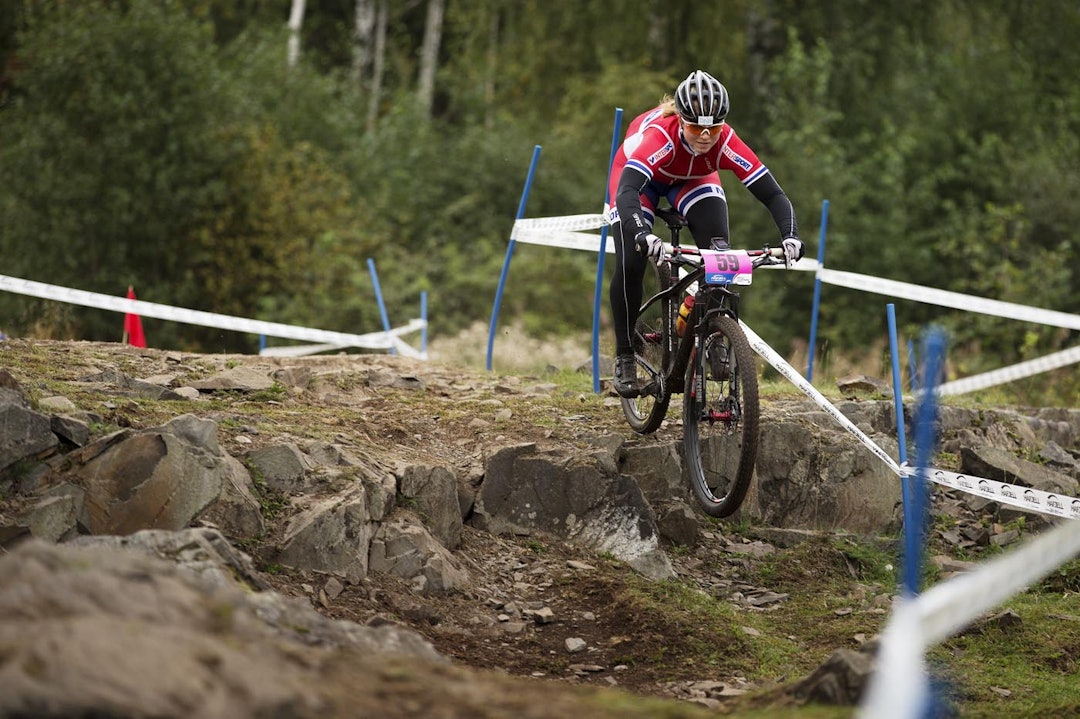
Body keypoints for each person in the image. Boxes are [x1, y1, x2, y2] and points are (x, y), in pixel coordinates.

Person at [606, 70, 803, 398]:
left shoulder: (725, 139)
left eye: (714, 127)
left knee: (721, 254)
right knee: (631, 260)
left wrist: (791, 235)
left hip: (693, 178)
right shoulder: (659, 137)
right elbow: (627, 191)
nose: (706, 135)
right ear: (682, 120)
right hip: (639, 181)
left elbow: (772, 194)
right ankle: (625, 354)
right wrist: (643, 233)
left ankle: (711, 330)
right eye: (697, 127)